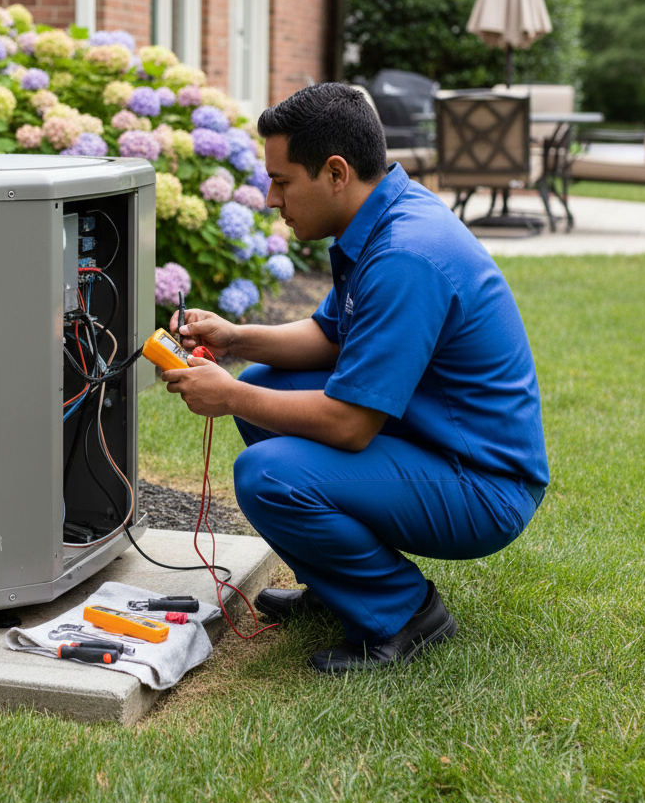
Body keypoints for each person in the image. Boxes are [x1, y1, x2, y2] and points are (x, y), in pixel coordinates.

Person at [162, 83, 548, 674]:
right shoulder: (385, 215)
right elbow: (331, 337)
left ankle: (402, 612)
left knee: (267, 474)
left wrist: (230, 393)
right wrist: (236, 338)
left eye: (283, 181)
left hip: (484, 487)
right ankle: (340, 585)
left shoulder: (404, 255)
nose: (270, 198)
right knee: (267, 384)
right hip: (435, 445)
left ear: (336, 173)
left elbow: (348, 426)